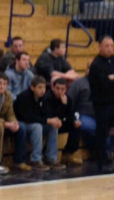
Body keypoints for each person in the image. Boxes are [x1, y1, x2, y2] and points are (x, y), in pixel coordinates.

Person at [14, 76, 66, 171]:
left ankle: (51, 158)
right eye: (40, 87)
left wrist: (54, 120)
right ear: (32, 87)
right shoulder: (24, 96)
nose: (43, 90)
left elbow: (46, 114)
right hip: (22, 122)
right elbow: (28, 117)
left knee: (52, 126)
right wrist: (48, 120)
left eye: (44, 87)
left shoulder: (43, 98)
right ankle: (36, 159)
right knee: (37, 127)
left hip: (33, 122)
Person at [0, 73, 31, 171]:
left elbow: (10, 113)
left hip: (3, 123)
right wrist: (6, 124)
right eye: (0, 83)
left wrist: (14, 122)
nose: (2, 86)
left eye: (5, 84)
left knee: (21, 127)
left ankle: (19, 161)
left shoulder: (7, 95)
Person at [89, 36, 114, 172]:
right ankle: (100, 161)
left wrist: (111, 78)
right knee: (102, 131)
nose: (110, 48)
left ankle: (109, 154)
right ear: (100, 47)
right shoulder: (96, 64)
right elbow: (103, 83)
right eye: (107, 46)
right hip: (102, 103)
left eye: (111, 45)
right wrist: (109, 79)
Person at [45, 78, 83, 166]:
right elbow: (51, 116)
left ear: (66, 89)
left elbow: (71, 113)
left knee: (76, 126)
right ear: (52, 87)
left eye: (62, 89)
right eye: (57, 88)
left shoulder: (68, 99)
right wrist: (63, 105)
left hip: (60, 123)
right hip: (48, 124)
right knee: (54, 126)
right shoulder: (48, 98)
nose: (60, 91)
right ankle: (50, 157)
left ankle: (68, 154)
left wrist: (74, 121)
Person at [68, 65, 96, 149]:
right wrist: (74, 117)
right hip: (83, 115)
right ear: (86, 70)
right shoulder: (78, 83)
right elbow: (69, 101)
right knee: (98, 129)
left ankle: (105, 151)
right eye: (90, 68)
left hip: (101, 115)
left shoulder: (104, 83)